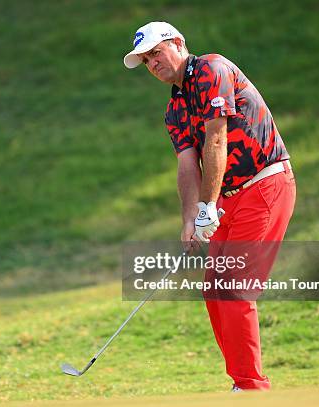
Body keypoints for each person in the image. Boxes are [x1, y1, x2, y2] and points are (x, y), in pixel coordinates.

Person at [123, 21, 296, 391]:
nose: (153, 63)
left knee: (233, 286)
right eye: (146, 60)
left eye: (156, 52)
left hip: (264, 184)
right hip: (230, 198)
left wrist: (207, 206)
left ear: (178, 43)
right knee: (214, 289)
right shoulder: (174, 109)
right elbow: (188, 164)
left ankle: (252, 387)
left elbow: (216, 140)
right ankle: (242, 382)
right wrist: (190, 218)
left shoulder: (212, 69)